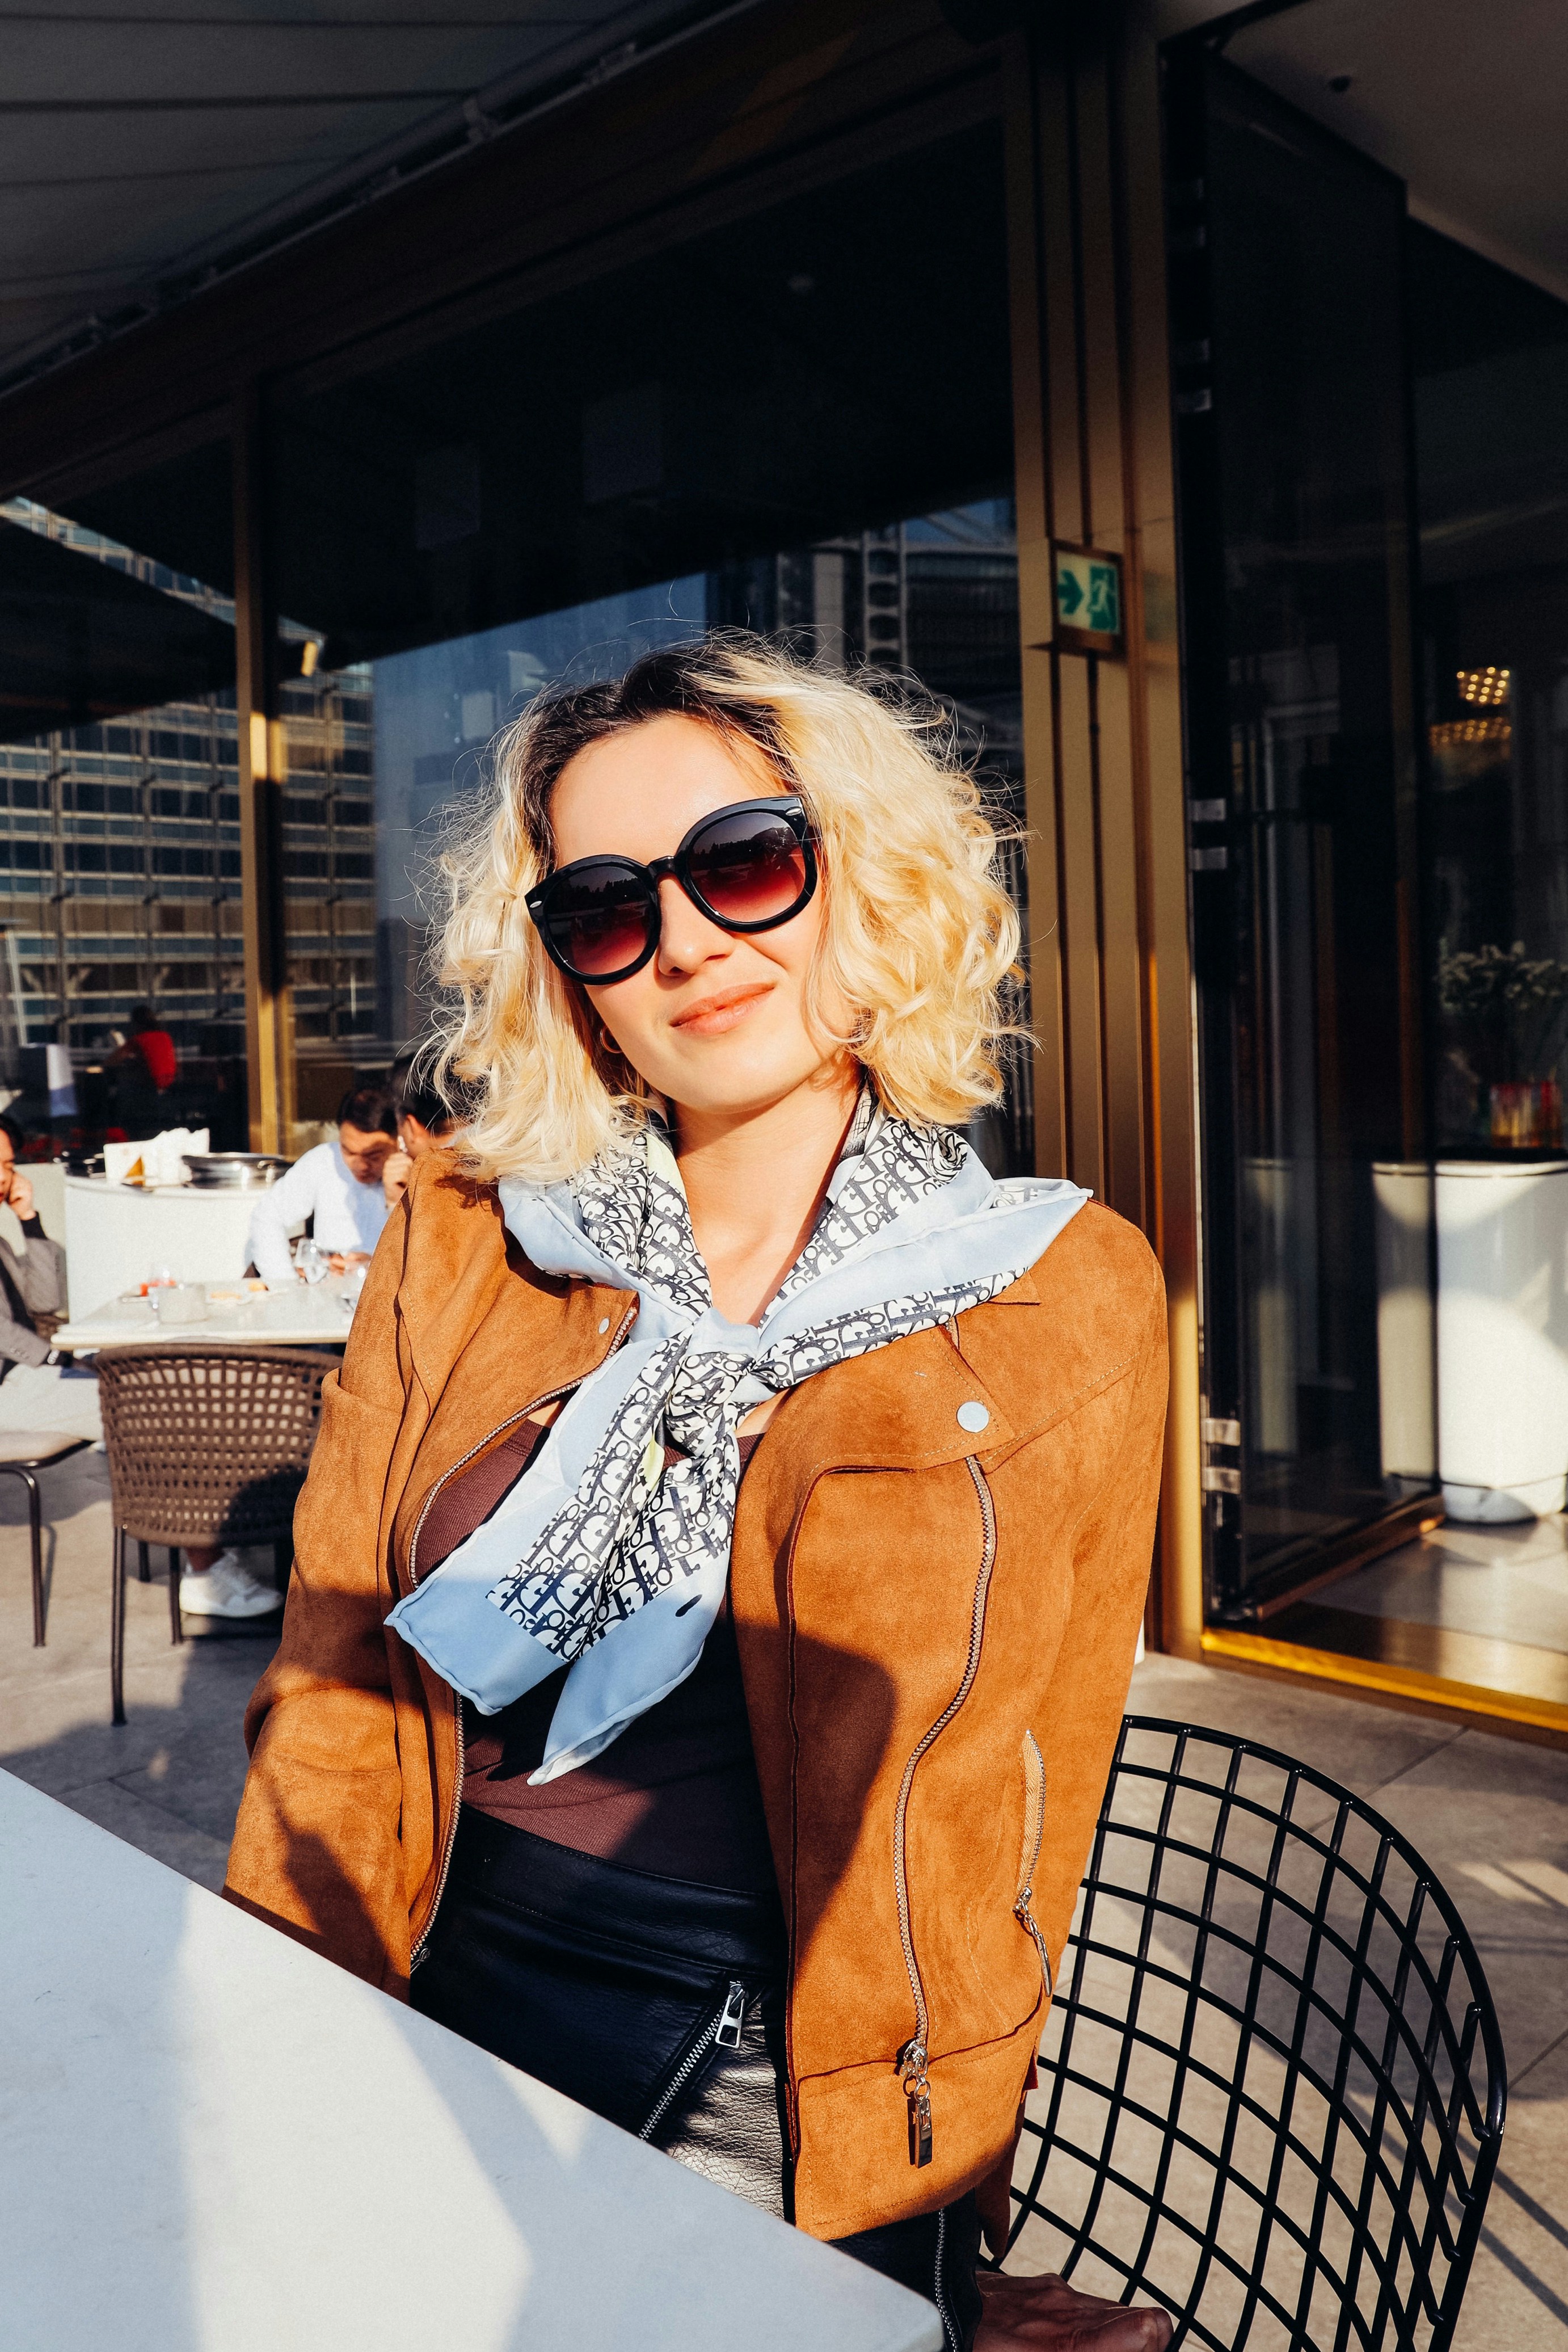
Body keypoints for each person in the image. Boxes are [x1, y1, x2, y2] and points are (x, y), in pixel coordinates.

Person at [224, 641, 1171, 2352]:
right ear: (567, 970)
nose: (680, 942)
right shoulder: (466, 1232)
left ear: (861, 873)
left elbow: (1034, 1783)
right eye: (604, 904)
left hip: (763, 2053)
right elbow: (334, 1678)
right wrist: (287, 2019)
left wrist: (926, 2206)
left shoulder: (1064, 1288)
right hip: (429, 1944)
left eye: (742, 862)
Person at [242, 1084, 398, 1284]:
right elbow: (268, 1217)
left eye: (373, 1156)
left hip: (389, 1292)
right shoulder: (324, 1161)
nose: (360, 1165)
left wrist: (375, 1266)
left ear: (398, 1139)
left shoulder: (415, 1172)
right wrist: (285, 1284)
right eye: (349, 1152)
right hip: (327, 1293)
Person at [380, 1060, 458, 1212]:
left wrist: (399, 1204)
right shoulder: (496, 1156)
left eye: (400, 1133)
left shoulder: (441, 1179)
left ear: (411, 1126)